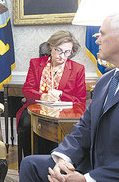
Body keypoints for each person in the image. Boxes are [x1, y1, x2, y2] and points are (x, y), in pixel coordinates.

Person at [12, 13, 119, 182]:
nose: (96, 39)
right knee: (31, 166)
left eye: (101, 34)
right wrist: (62, 159)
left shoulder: (88, 74)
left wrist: (88, 180)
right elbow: (83, 129)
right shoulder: (106, 81)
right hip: (94, 165)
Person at [16, 31, 86, 164]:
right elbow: (27, 90)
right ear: (50, 47)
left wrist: (60, 94)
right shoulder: (36, 64)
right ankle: (31, 163)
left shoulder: (78, 69)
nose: (62, 56)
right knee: (26, 124)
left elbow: (80, 101)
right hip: (34, 109)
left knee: (57, 129)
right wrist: (43, 96)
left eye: (67, 52)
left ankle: (54, 165)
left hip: (63, 114)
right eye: (58, 50)